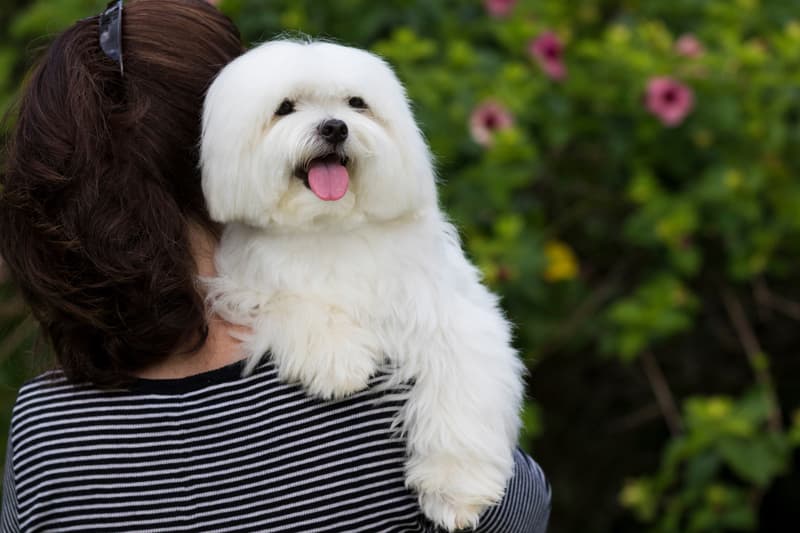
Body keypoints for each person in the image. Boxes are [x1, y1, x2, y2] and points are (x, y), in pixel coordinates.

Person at [0, 1, 551, 531]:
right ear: (217, 140)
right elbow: (511, 511)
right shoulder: (390, 379)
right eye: (283, 107)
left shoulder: (50, 434)